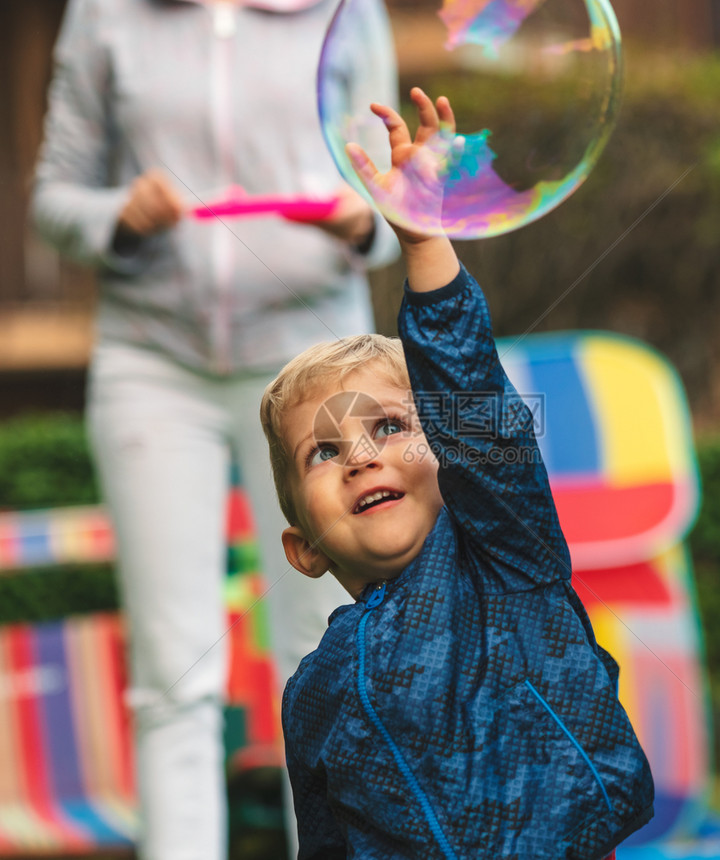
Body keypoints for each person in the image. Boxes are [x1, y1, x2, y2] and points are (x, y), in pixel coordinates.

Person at [29, 0, 398, 858]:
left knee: (330, 651)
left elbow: (393, 199)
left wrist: (360, 218)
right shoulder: (105, 14)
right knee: (175, 672)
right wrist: (119, 213)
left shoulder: (350, 11)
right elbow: (55, 199)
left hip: (318, 370)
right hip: (153, 364)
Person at [259, 87, 655, 859]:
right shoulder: (315, 692)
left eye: (391, 428)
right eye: (324, 451)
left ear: (451, 455)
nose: (362, 455)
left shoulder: (506, 557)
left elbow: (473, 400)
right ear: (304, 547)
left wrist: (423, 245)